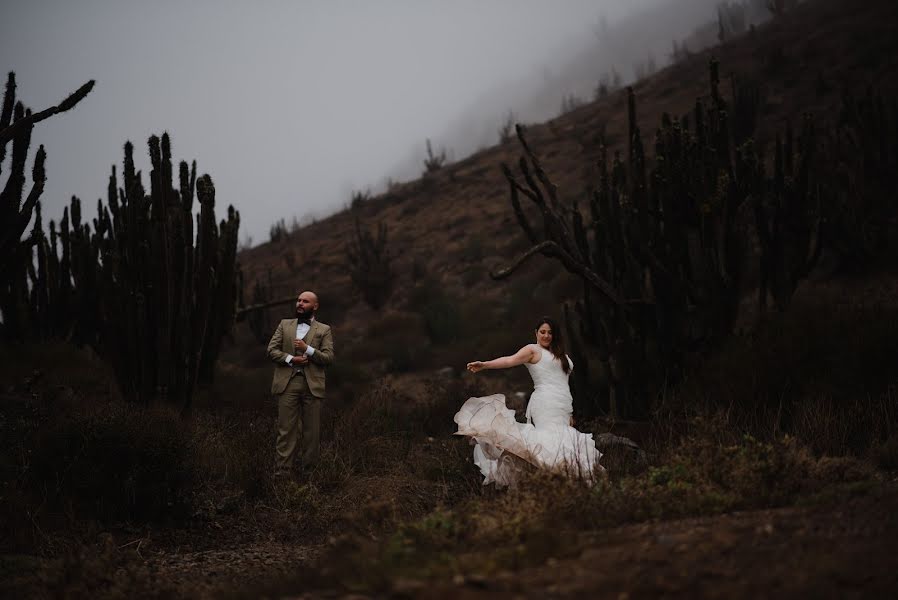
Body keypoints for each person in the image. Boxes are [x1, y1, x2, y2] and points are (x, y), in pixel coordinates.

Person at [455, 316, 603, 486]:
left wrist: (569, 412)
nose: (546, 336)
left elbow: (563, 383)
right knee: (550, 440)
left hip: (562, 404)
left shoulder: (560, 354)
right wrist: (486, 364)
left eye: (550, 332)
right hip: (545, 402)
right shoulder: (533, 350)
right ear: (536, 333)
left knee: (564, 440)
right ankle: (554, 485)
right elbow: (509, 360)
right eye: (542, 332)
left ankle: (558, 486)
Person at [267, 290, 335, 477]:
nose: (300, 303)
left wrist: (308, 350)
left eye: (305, 301)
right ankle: (282, 474)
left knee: (312, 433)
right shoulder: (284, 325)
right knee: (285, 431)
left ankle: (310, 475)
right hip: (287, 384)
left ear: (315, 306)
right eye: (298, 300)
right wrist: (291, 358)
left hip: (312, 386)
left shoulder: (324, 329)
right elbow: (271, 350)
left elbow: (329, 358)